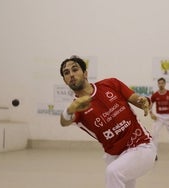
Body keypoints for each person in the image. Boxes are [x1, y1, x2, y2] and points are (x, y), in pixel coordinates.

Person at [59, 55, 156, 188]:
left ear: (85, 73)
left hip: (141, 146)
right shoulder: (77, 107)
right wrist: (69, 110)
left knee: (113, 173)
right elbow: (64, 121)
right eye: (66, 73)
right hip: (115, 156)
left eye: (75, 69)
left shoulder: (111, 84)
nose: (71, 74)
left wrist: (144, 101)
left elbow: (137, 99)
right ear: (65, 81)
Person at [149, 77, 169, 161]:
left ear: (165, 84)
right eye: (159, 83)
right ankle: (154, 155)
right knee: (154, 135)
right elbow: (150, 105)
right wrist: (151, 114)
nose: (161, 85)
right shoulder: (155, 95)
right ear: (157, 84)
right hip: (159, 118)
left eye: (162, 83)